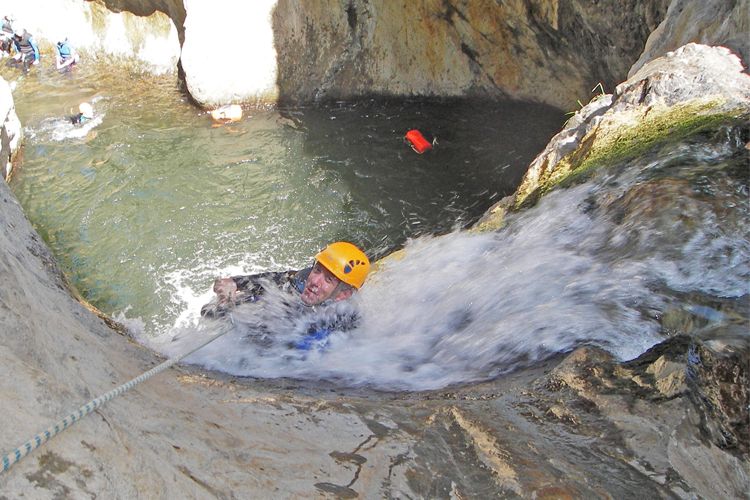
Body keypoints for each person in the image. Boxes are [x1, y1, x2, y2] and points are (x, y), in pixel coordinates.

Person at [201, 241, 370, 350]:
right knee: (213, 311)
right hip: (285, 318)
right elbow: (229, 282)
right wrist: (229, 292)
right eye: (317, 270)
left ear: (343, 294)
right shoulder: (298, 281)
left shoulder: (345, 318)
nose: (315, 281)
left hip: (302, 341)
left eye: (328, 280)